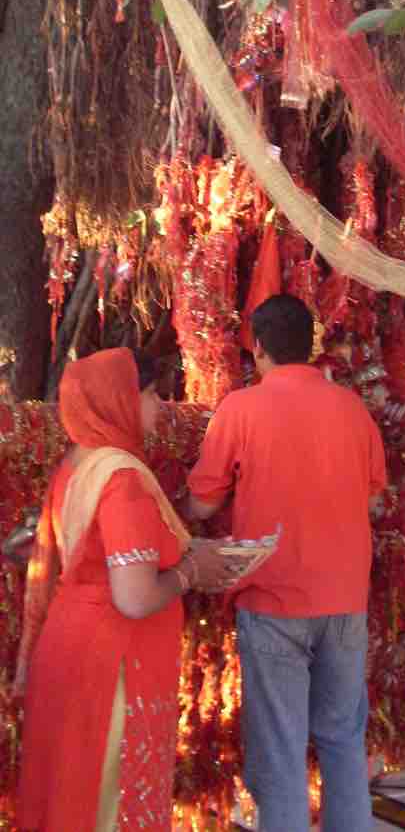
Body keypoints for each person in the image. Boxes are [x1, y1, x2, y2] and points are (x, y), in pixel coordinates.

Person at [187, 294, 387, 832]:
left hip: (273, 598)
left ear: (257, 348)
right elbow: (374, 499)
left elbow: (202, 502)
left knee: (279, 752)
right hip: (344, 600)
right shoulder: (351, 407)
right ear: (312, 346)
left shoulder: (240, 408)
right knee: (344, 740)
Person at [16, 348, 232, 832]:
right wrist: (191, 572)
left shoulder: (77, 463)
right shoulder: (122, 480)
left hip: (69, 647)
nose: (161, 406)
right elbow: (133, 598)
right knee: (102, 802)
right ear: (121, 401)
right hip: (108, 665)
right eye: (153, 394)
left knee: (69, 794)